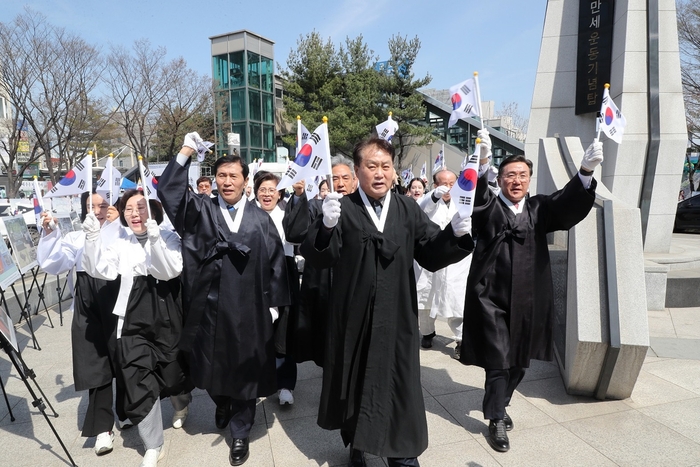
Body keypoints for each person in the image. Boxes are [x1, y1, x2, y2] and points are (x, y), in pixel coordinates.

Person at [300, 138, 474, 467]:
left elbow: (430, 249)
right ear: (357, 170)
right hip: (353, 317)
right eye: (371, 166)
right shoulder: (343, 209)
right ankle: (358, 442)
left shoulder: (407, 209)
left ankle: (402, 455)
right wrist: (324, 227)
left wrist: (456, 235)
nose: (379, 173)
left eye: (385, 166)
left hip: (397, 317)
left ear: (394, 171)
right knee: (355, 380)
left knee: (399, 384)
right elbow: (320, 259)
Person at [458, 130, 601, 453]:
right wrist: (482, 164)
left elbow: (566, 204)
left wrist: (586, 172)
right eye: (510, 175)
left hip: (529, 298)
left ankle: (501, 402)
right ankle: (495, 418)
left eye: (523, 175)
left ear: (530, 179)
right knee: (498, 361)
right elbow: (477, 201)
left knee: (520, 362)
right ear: (502, 178)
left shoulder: (538, 209)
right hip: (489, 297)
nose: (517, 180)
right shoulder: (490, 208)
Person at [158, 133, 289, 466]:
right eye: (221, 176)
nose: (227, 181)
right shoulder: (200, 210)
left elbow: (276, 263)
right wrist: (186, 150)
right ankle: (222, 401)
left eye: (234, 176)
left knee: (245, 370)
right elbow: (169, 192)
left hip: (249, 309)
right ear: (214, 180)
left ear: (246, 181)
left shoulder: (261, 220)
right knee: (209, 364)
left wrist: (273, 306)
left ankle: (241, 431)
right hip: (209, 307)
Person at [82, 190, 192, 467]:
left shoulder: (167, 236)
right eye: (128, 208)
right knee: (136, 379)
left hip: (166, 314)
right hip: (131, 319)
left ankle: (181, 401)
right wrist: (92, 239)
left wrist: (155, 242)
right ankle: (153, 445)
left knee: (173, 374)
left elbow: (169, 271)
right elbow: (100, 270)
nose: (134, 213)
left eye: (140, 207)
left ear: (153, 211)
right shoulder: (120, 241)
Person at [37, 191, 124, 457]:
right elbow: (55, 262)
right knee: (95, 366)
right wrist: (51, 232)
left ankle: (131, 411)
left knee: (126, 360)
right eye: (91, 206)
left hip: (120, 300)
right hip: (89, 307)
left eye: (104, 205)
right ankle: (102, 428)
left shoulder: (123, 233)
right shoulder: (76, 237)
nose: (98, 211)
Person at [282, 155, 357, 367]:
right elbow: (296, 233)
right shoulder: (317, 206)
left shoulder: (363, 208)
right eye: (335, 178)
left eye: (345, 178)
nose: (340, 183)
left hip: (353, 281)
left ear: (354, 180)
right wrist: (298, 195)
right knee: (325, 338)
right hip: (322, 282)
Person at [415, 169, 470, 359]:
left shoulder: (464, 202)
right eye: (443, 183)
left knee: (456, 300)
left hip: (455, 261)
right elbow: (419, 212)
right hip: (429, 258)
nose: (448, 187)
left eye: (452, 183)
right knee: (425, 300)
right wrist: (432, 197)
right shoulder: (428, 201)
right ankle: (428, 333)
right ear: (435, 185)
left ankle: (462, 340)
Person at [255, 171, 299, 406]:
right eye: (262, 189)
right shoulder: (248, 216)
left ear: (280, 192)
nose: (267, 194)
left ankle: (285, 385)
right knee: (256, 334)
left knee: (283, 333)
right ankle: (259, 381)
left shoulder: (287, 216)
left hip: (284, 275)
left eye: (271, 189)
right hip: (255, 278)